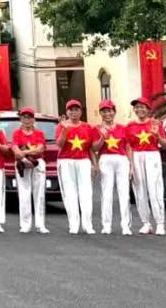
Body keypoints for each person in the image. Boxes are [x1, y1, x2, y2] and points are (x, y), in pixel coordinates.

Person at [127, 96, 166, 235]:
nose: (139, 109)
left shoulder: (155, 123)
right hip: (136, 156)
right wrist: (131, 166)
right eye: (137, 107)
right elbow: (129, 147)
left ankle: (160, 223)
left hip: (152, 155)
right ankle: (146, 223)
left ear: (148, 109)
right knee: (139, 191)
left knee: (155, 189)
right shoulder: (130, 126)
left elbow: (165, 145)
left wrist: (158, 136)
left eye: (142, 107)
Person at [56, 99, 97, 234]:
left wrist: (94, 164)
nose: (74, 112)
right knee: (70, 193)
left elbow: (91, 148)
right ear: (67, 112)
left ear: (81, 111)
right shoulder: (61, 126)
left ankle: (87, 225)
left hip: (83, 161)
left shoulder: (88, 127)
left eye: (76, 110)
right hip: (66, 161)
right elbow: (59, 145)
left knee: (86, 192)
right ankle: (73, 224)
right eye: (71, 110)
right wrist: (64, 130)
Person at [93, 99, 133, 235]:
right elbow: (94, 148)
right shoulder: (96, 129)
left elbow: (128, 147)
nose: (107, 114)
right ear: (100, 113)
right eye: (104, 111)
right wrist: (102, 138)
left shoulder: (122, 128)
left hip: (122, 159)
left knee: (124, 193)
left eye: (109, 111)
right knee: (107, 193)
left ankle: (126, 226)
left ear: (114, 112)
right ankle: (106, 225)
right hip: (105, 158)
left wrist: (131, 165)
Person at [11, 107, 48, 234]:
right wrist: (24, 156)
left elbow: (40, 148)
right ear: (20, 119)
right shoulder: (17, 133)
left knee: (39, 194)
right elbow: (15, 149)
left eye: (29, 117)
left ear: (33, 119)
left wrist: (25, 152)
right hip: (22, 163)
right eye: (24, 117)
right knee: (24, 193)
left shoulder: (39, 133)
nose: (27, 120)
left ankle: (40, 224)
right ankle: (25, 224)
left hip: (38, 163)